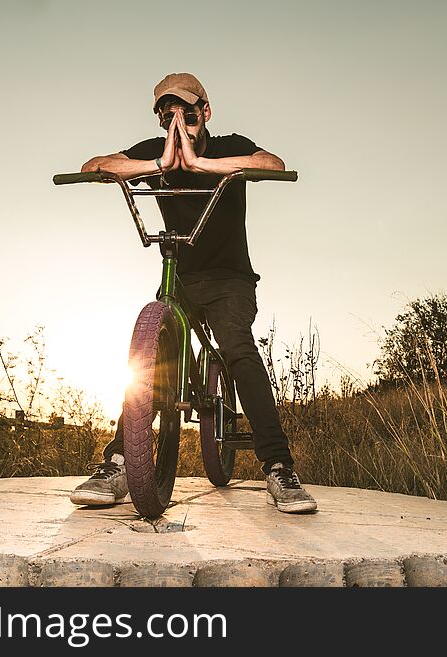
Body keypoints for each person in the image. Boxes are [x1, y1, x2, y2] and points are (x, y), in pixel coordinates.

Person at [70, 73, 316, 513]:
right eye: (168, 115)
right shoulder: (154, 152)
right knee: (148, 357)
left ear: (205, 112)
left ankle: (279, 467)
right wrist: (158, 166)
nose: (178, 122)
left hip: (229, 280)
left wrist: (201, 166)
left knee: (236, 346)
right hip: (178, 278)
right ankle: (121, 460)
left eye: (187, 112)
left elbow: (273, 164)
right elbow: (94, 165)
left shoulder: (228, 145)